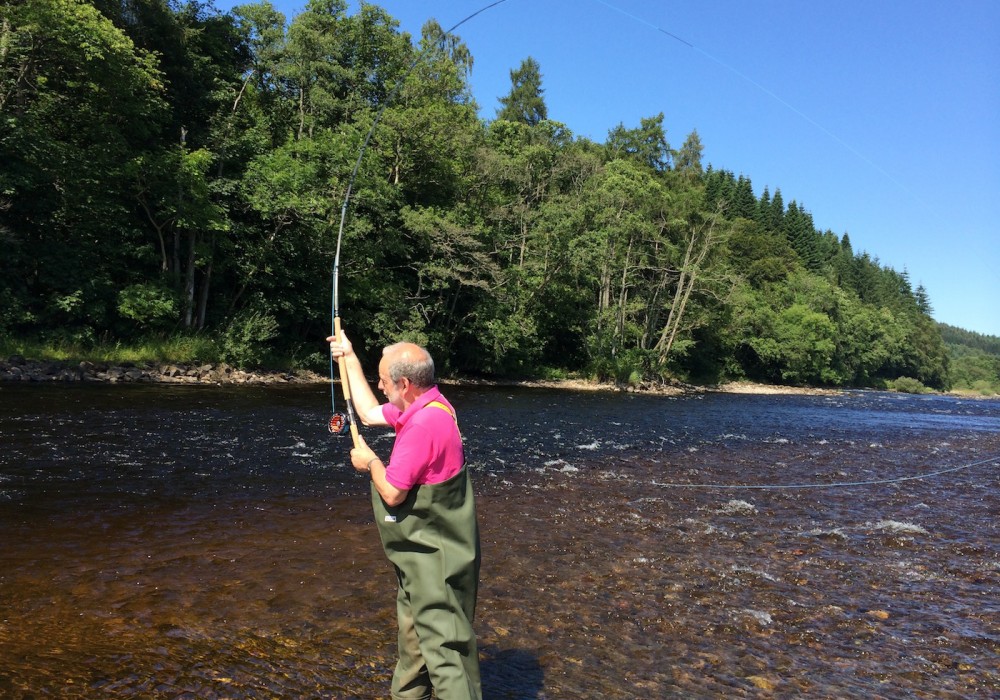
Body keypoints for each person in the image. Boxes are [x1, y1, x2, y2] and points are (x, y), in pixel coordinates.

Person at [327, 331, 482, 700]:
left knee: (446, 656)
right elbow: (365, 413)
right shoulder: (428, 404)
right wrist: (348, 356)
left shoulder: (424, 425)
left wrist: (371, 462)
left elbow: (393, 493)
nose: (380, 387)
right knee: (413, 648)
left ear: (405, 384)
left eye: (383, 381)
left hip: (437, 560)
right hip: (420, 557)